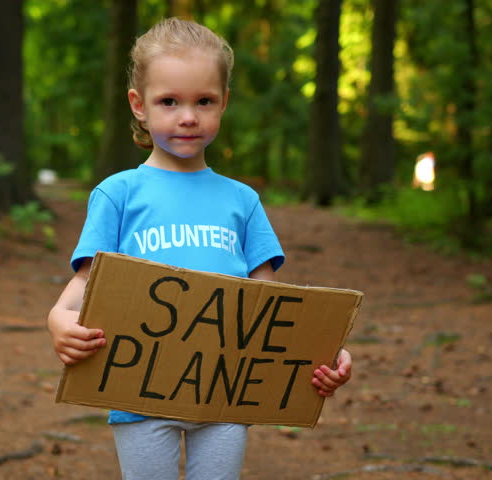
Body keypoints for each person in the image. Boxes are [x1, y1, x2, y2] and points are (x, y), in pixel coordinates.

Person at [47, 17, 352, 480]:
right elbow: (84, 284)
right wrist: (59, 323)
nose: (187, 115)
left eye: (204, 101)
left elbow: (270, 308)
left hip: (225, 396)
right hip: (138, 396)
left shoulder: (242, 201)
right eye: (169, 101)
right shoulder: (118, 194)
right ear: (139, 105)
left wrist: (323, 355)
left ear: (223, 103)